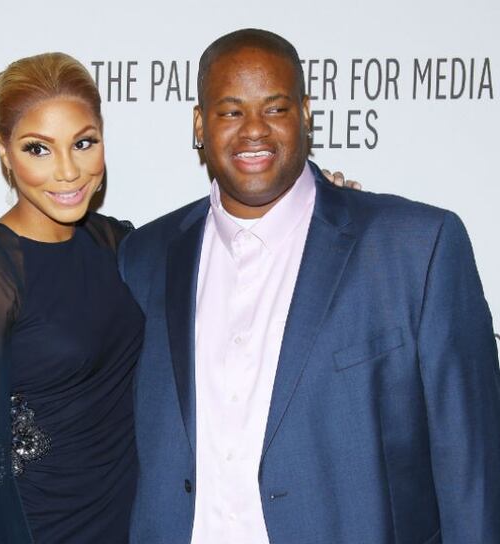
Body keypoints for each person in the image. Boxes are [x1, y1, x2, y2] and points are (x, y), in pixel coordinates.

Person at [119, 29, 500, 543]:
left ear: (306, 113)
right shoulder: (144, 257)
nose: (254, 130)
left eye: (275, 109)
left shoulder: (414, 248)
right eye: (230, 111)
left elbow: (471, 468)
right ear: (200, 125)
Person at [0, 52, 145, 543]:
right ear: (4, 151)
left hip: (133, 524)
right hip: (45, 530)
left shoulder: (118, 244)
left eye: (83, 143)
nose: (68, 171)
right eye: (38, 149)